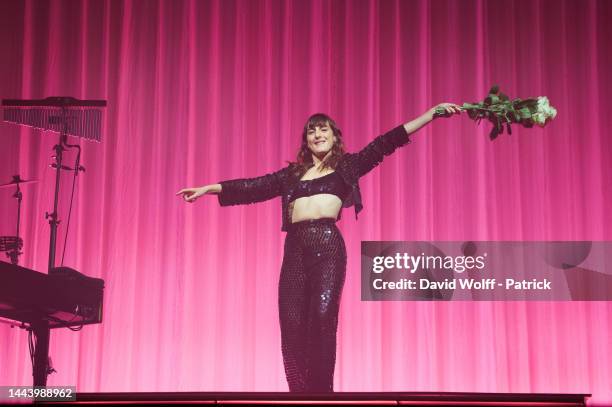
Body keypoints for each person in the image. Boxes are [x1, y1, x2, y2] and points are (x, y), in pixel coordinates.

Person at [176, 103, 462, 392]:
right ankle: (299, 394)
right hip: (295, 249)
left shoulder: (347, 166)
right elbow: (254, 186)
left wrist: (431, 114)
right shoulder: (292, 175)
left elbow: (386, 142)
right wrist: (209, 189)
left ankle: (322, 394)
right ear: (307, 141)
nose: (317, 134)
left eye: (323, 129)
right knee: (291, 323)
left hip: (328, 247)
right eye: (312, 131)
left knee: (323, 317)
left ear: (334, 137)